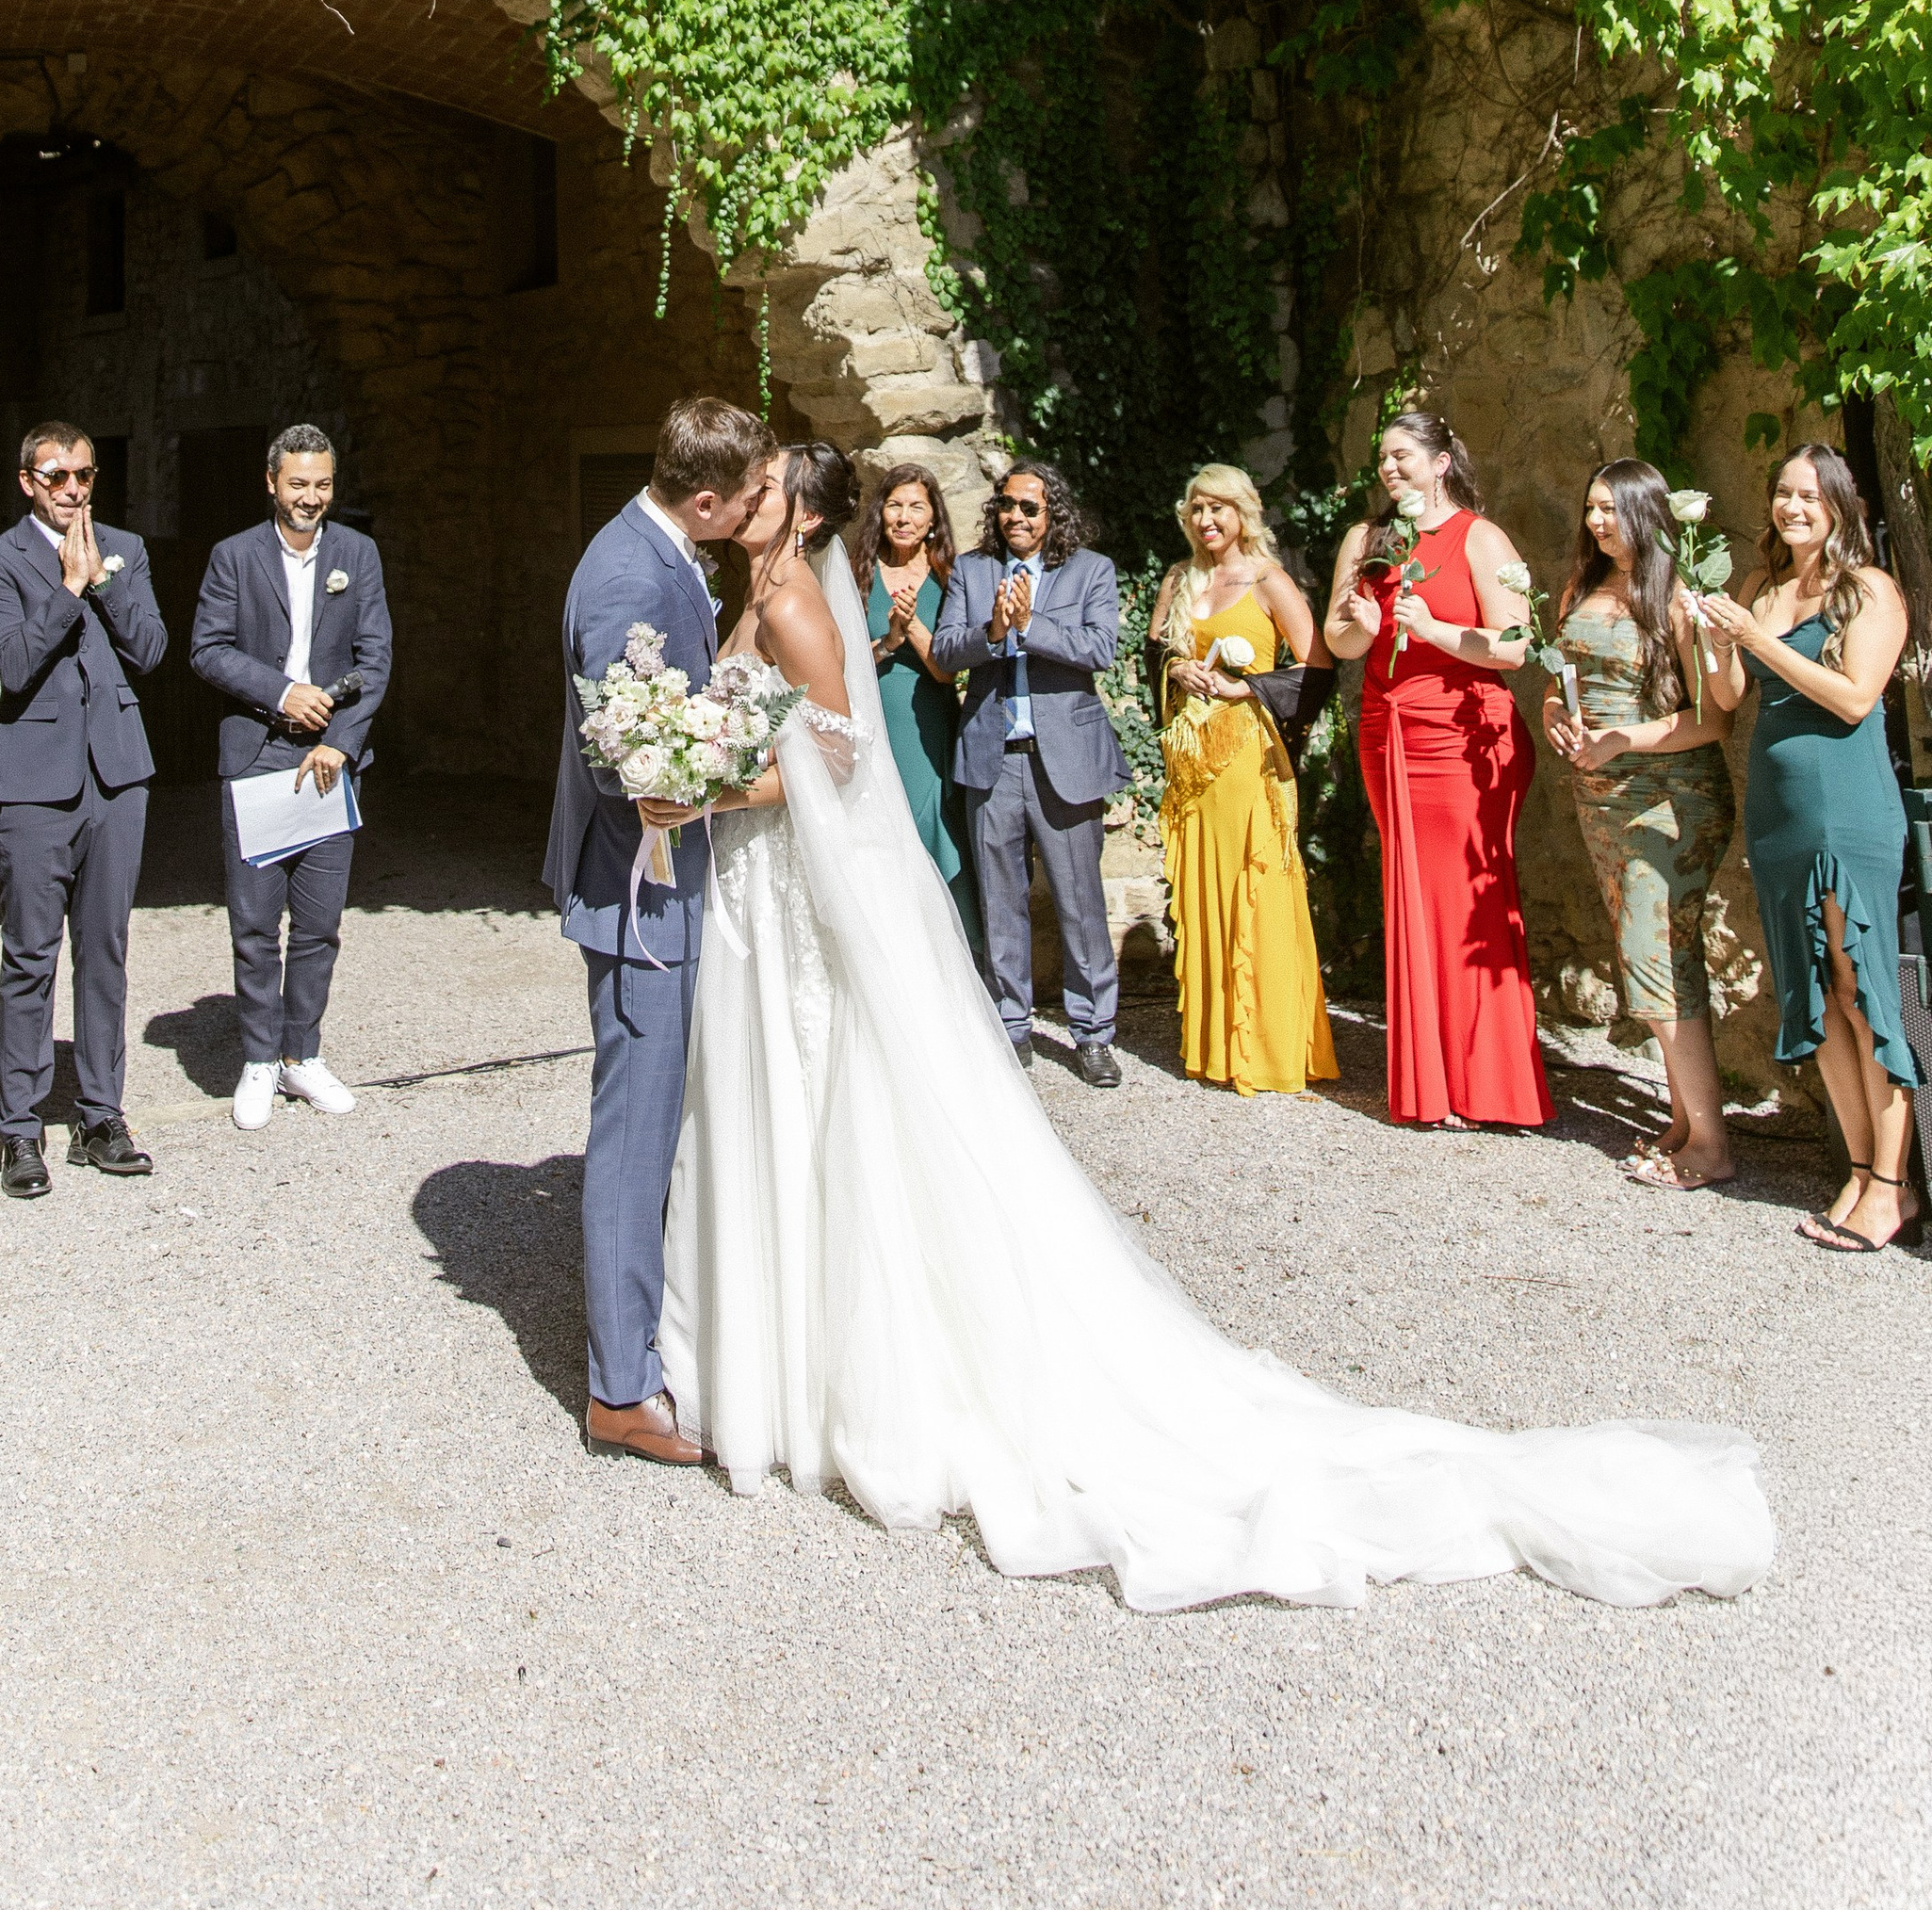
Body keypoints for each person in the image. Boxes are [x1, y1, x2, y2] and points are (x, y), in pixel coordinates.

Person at [656, 435, 1772, 1610]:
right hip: (782, 880)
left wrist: (706, 781)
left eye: (769, 482)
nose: (748, 495)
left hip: (835, 845)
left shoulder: (792, 598)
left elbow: (835, 753)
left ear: (799, 512)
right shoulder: (765, 584)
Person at [544, 394, 773, 1465]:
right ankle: (619, 1387)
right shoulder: (630, 569)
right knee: (635, 1127)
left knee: (657, 1114)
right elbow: (613, 751)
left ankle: (653, 1332)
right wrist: (683, 785)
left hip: (671, 875)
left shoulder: (662, 547)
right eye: (748, 498)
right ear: (705, 498)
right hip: (636, 885)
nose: (757, 513)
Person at [1697, 444, 1922, 1252]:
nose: (1793, 507)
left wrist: (1755, 640)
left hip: (1847, 804)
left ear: (1838, 505)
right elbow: (1728, 699)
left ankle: (1893, 1189)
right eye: (1783, 493)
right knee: (1819, 998)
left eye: (1809, 495)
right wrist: (1718, 641)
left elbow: (1856, 699)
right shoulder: (1761, 588)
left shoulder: (1869, 589)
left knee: (1863, 992)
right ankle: (1857, 1173)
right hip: (1780, 809)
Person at [1324, 411, 1553, 1130]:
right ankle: (1430, 1081)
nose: (1389, 469)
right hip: (1388, 730)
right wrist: (1359, 629)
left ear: (1440, 462)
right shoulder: (1367, 541)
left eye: (1402, 457)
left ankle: (1488, 1084)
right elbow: (1336, 636)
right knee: (1414, 898)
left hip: (1465, 736)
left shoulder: (1480, 538)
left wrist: (1434, 631)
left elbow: (1514, 646)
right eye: (1382, 459)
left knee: (1469, 903)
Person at [0, 422, 168, 1200]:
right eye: (57, 476)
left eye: (85, 474)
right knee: (29, 955)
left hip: (118, 777)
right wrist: (69, 588)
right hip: (32, 783)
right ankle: (19, 1127)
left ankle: (100, 1114)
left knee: (106, 951)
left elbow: (150, 649)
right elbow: (11, 666)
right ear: (27, 481)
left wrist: (105, 579)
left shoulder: (125, 546)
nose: (74, 489)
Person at [190, 424, 392, 1132]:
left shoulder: (357, 555)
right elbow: (207, 650)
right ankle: (256, 1059)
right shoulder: (232, 557)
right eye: (298, 484)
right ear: (271, 483)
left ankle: (301, 1054)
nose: (311, 498)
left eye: (323, 485)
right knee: (253, 922)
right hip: (258, 753)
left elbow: (377, 655)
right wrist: (280, 692)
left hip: (329, 759)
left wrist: (341, 740)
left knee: (319, 922)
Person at [1542, 461, 1738, 1191]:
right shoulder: (1578, 589)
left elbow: (1713, 718)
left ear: (1646, 513)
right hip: (1601, 798)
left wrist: (1623, 740)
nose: (1597, 522)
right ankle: (1688, 1121)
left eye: (1611, 510)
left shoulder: (1679, 599)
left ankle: (1711, 1146)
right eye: (1590, 507)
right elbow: (1559, 689)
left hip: (1672, 797)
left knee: (1651, 948)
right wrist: (1558, 718)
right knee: (1652, 954)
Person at [931, 460, 1129, 1088]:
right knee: (1000, 898)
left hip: (1064, 758)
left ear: (1054, 515)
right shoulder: (972, 569)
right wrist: (993, 631)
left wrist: (1030, 626)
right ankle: (1011, 1025)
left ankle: (1093, 1031)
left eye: (1029, 508)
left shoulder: (1091, 570)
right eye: (1007, 506)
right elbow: (943, 649)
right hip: (992, 754)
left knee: (1079, 903)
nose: (1015, 517)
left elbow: (1100, 649)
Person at [1148, 463, 1338, 1097]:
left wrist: (1243, 685)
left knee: (1257, 892)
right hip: (1192, 765)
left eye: (1219, 509)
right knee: (1204, 888)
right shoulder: (1179, 578)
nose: (1207, 521)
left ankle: (1269, 1048)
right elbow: (1155, 650)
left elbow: (1317, 668)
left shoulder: (1268, 580)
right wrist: (1177, 670)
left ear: (1243, 514)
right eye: (1198, 508)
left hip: (1249, 760)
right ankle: (1213, 1048)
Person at [852, 462, 980, 952]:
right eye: (894, 505)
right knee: (879, 835)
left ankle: (959, 958)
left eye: (916, 507)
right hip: (873, 712)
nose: (903, 517)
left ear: (933, 519)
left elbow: (950, 670)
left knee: (934, 828)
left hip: (927, 717)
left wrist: (915, 630)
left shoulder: (952, 576)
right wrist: (888, 640)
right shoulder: (856, 571)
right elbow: (837, 661)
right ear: (880, 512)